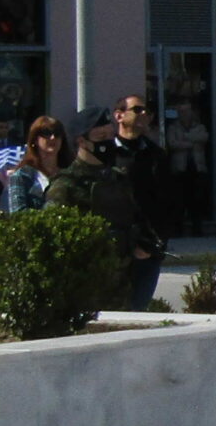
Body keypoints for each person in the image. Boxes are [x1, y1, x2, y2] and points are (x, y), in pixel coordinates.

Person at [47, 106, 146, 298]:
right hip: (83, 284)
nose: (108, 143)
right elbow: (55, 237)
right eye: (101, 138)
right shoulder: (66, 185)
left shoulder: (119, 179)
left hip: (122, 280)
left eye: (111, 137)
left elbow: (134, 219)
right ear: (81, 141)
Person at [112, 95, 174, 311]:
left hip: (148, 252)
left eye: (147, 111)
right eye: (137, 110)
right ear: (119, 115)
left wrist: (155, 243)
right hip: (114, 251)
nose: (144, 114)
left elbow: (168, 203)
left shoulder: (156, 155)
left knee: (137, 313)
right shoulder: (106, 155)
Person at [5, 117, 64, 214]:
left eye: (57, 133)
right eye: (46, 133)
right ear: (35, 140)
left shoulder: (70, 173)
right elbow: (18, 214)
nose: (53, 137)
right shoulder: (21, 176)